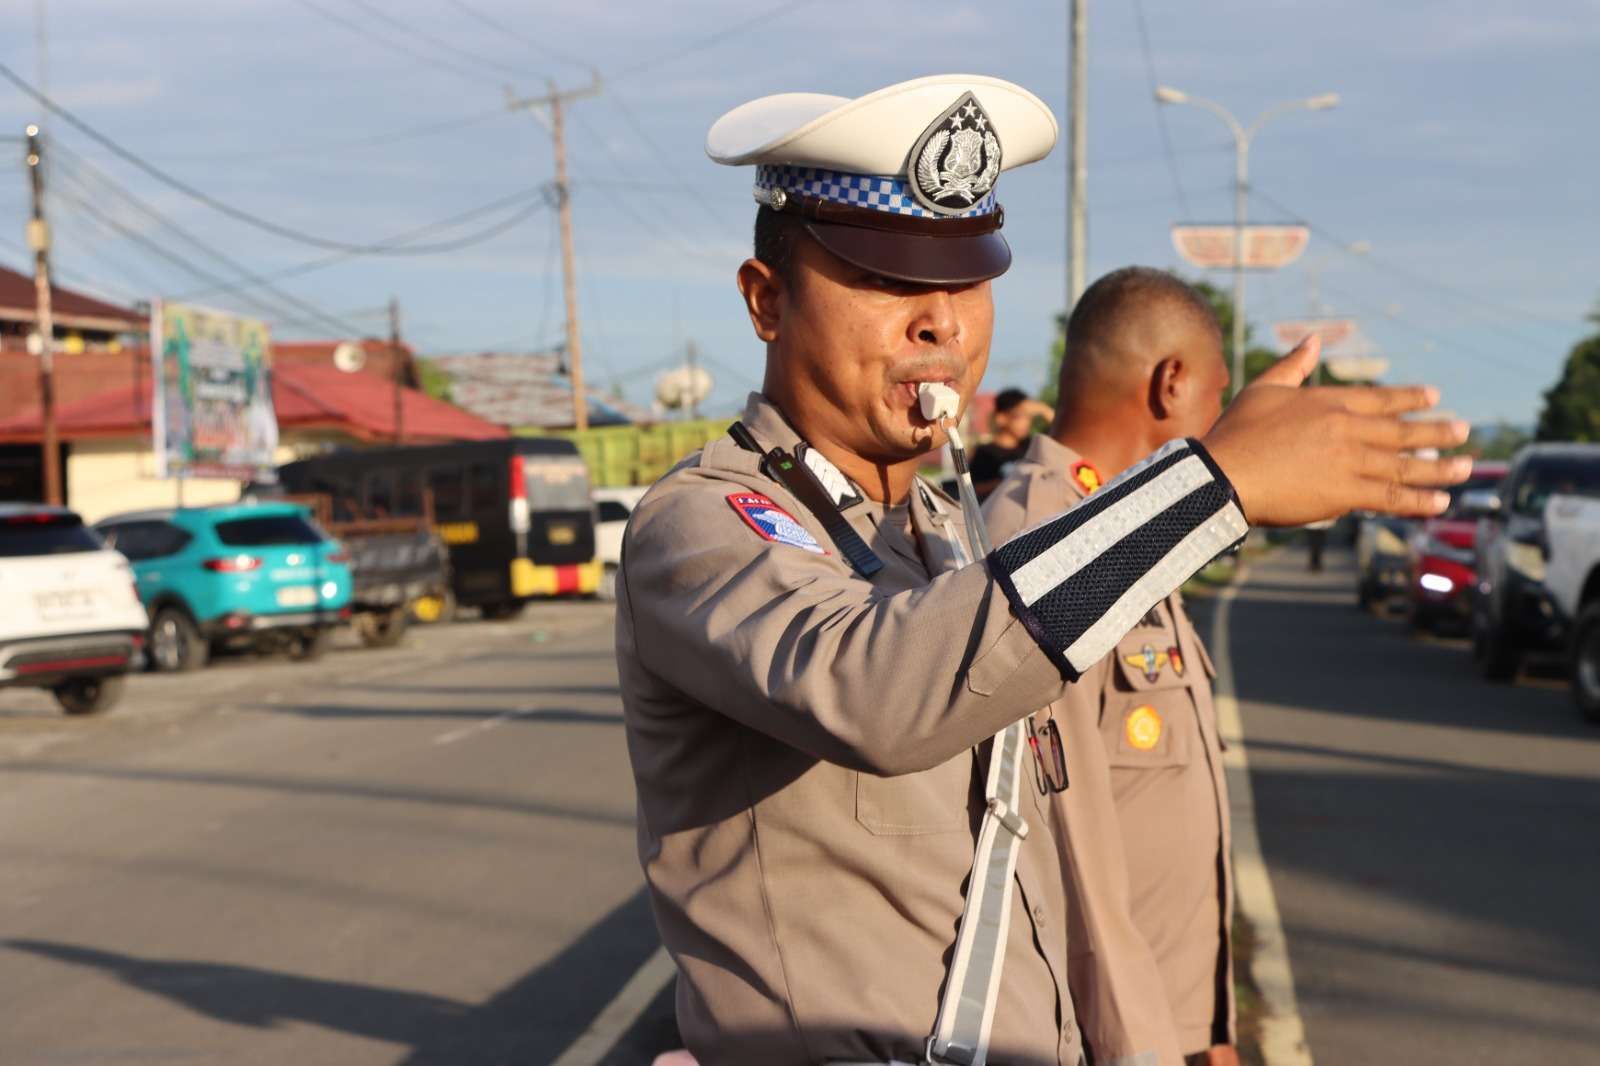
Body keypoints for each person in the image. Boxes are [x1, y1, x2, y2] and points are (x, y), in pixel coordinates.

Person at [616, 75, 1468, 1066]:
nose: (939, 324)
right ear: (767, 302)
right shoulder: (706, 521)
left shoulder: (945, 530)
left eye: (966, 280)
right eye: (885, 281)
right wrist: (1212, 487)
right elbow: (876, 690)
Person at [984, 267, 1241, 1066]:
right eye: (1218, 395)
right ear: (1172, 383)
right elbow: (1064, 850)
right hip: (1108, 1040)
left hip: (1174, 1023)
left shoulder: (1118, 535)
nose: (1221, 421)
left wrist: (1212, 1033)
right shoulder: (1043, 543)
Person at [971, 388, 1053, 499]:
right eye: (1019, 416)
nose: (1026, 422)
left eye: (1028, 416)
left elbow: (1062, 437)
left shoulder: (1031, 446)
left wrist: (1044, 410)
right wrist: (1013, 480)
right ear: (1001, 418)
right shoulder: (985, 453)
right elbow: (975, 488)